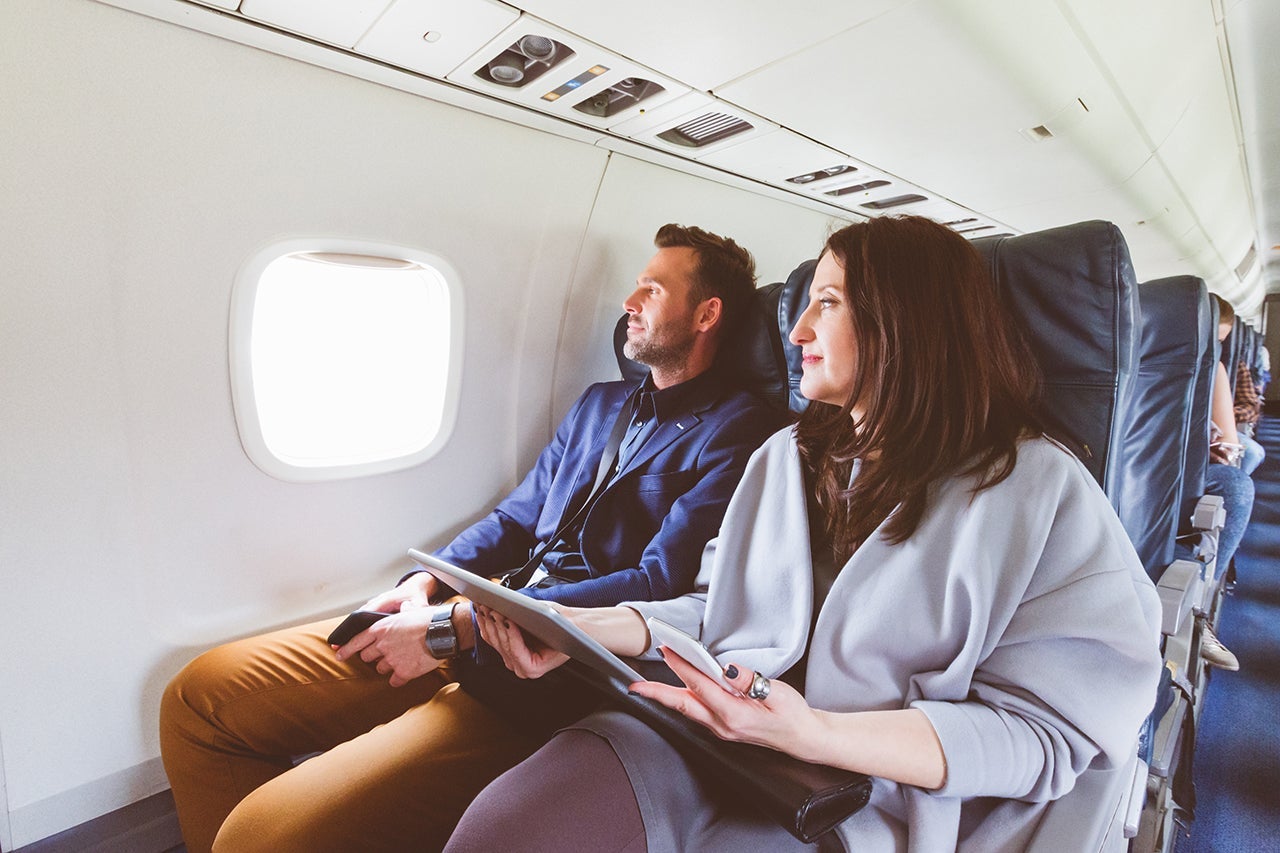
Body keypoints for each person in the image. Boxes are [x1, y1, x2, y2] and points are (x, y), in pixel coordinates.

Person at [446, 215, 1164, 852]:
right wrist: (581, 623)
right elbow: (714, 608)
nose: (796, 332)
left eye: (827, 302)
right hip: (714, 731)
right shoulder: (786, 457)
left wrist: (814, 732)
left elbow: (1044, 736)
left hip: (872, 790)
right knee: (507, 830)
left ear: (905, 318)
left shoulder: (1038, 489)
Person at [159, 224, 785, 853]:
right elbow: (514, 519)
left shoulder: (742, 433)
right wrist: (424, 586)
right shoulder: (601, 404)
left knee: (258, 838)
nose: (628, 301)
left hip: (544, 676)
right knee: (200, 699)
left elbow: (656, 584)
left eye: (651, 289)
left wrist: (459, 621)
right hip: (469, 614)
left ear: (707, 314)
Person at [1200, 296, 1257, 670]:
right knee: (1241, 477)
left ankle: (1197, 606)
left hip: (1193, 464)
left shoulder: (1219, 368)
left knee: (1242, 474)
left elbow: (1245, 413)